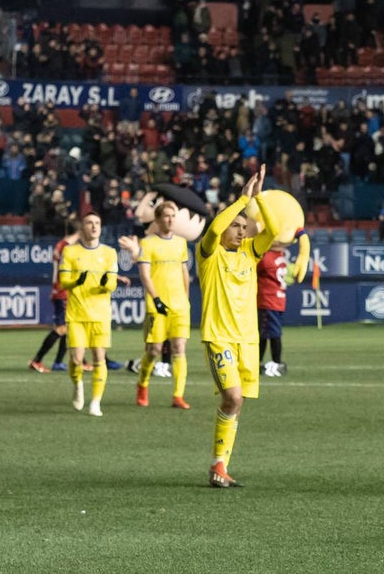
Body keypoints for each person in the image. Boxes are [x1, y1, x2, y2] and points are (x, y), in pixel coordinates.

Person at [198, 166, 278, 488]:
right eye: (237, 225)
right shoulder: (209, 253)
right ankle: (218, 465)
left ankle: (221, 467)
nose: (242, 231)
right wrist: (240, 201)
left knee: (237, 403)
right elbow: (215, 228)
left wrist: (258, 202)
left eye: (245, 226)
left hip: (247, 341)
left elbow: (272, 232)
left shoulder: (249, 253)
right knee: (232, 398)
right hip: (219, 337)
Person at [118, 201, 191, 410]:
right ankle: (142, 383)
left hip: (179, 306)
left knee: (179, 348)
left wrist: (185, 299)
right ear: (158, 220)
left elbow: (185, 272)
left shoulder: (181, 243)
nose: (170, 219)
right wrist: (156, 298)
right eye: (166, 216)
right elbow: (145, 274)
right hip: (155, 306)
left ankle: (178, 395)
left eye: (172, 216)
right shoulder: (147, 244)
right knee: (153, 350)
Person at [58, 212, 118, 417]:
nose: (94, 226)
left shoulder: (110, 253)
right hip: (76, 314)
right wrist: (77, 282)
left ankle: (96, 402)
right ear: (82, 228)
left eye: (97, 223)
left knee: (99, 357)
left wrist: (105, 284)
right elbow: (63, 281)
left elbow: (112, 283)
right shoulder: (70, 252)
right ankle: (78, 385)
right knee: (76, 359)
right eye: (89, 223)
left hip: (100, 315)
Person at [28, 223, 79, 373]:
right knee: (61, 328)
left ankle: (58, 362)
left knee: (68, 327)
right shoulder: (67, 247)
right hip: (63, 291)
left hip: (61, 290)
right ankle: (37, 360)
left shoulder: (60, 245)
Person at [257, 246, 289, 377]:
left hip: (267, 299)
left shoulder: (266, 258)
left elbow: (254, 268)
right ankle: (274, 362)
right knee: (270, 333)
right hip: (279, 299)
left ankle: (273, 363)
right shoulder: (280, 256)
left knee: (265, 334)